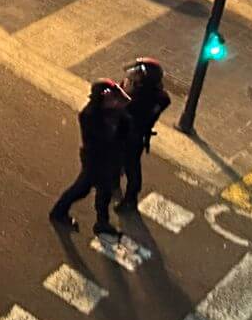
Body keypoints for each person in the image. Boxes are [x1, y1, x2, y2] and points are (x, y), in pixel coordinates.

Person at [50, 78, 131, 237]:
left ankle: (102, 223)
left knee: (104, 192)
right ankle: (59, 211)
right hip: (94, 160)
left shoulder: (112, 113)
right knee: (82, 189)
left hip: (107, 161)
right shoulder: (90, 116)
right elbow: (105, 139)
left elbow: (124, 128)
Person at [118, 57, 172, 210]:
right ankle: (115, 179)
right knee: (122, 160)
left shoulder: (140, 99)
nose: (131, 76)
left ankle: (130, 199)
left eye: (137, 74)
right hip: (133, 133)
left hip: (131, 135)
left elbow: (122, 106)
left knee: (132, 166)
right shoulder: (157, 96)